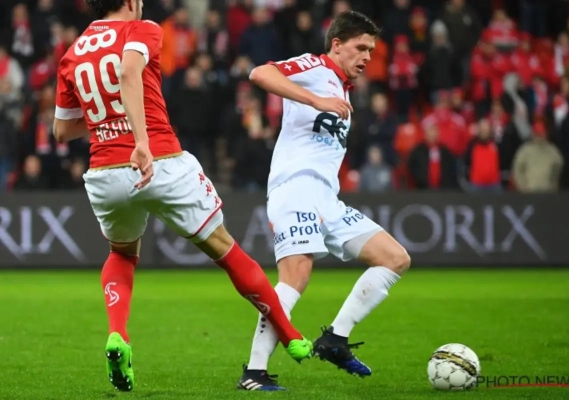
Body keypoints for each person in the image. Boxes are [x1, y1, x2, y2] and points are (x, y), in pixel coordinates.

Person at [52, 0, 312, 392]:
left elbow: (61, 131)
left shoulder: (73, 52)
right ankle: (291, 336)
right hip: (159, 160)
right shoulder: (142, 29)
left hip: (105, 172)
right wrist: (140, 140)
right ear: (130, 2)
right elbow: (128, 70)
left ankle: (118, 333)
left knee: (121, 254)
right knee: (226, 249)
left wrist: (107, 120)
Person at [239, 10, 411, 391]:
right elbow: (260, 74)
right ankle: (254, 372)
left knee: (395, 258)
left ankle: (335, 338)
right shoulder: (315, 68)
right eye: (360, 47)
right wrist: (315, 99)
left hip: (326, 198)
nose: (367, 57)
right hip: (295, 188)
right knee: (296, 276)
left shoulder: (343, 91)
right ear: (336, 44)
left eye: (371, 50)